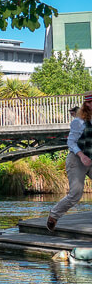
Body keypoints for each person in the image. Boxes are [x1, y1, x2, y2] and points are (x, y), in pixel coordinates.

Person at [47, 92, 92, 231]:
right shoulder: (78, 122)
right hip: (77, 159)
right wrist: (82, 156)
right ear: (86, 105)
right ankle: (54, 215)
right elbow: (71, 142)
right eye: (90, 103)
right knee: (75, 194)